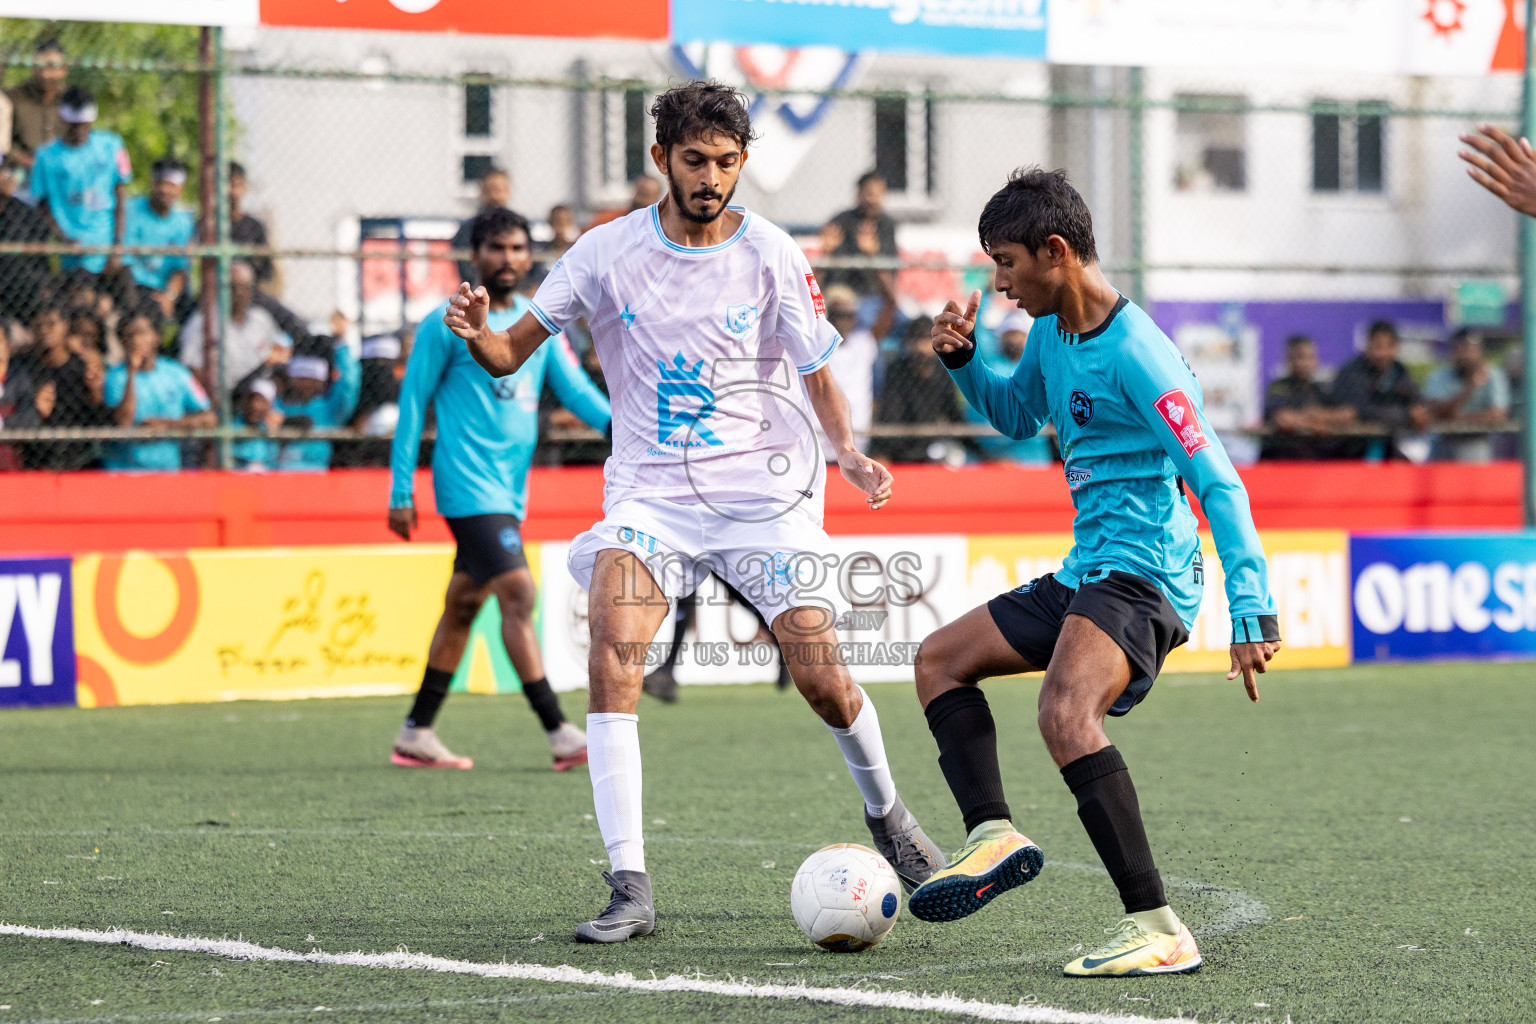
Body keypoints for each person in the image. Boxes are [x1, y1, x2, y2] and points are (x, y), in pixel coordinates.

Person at [443, 80, 946, 943]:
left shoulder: (776, 254)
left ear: (743, 161)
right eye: (693, 160)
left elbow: (817, 367)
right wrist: (477, 332)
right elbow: (507, 356)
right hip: (650, 498)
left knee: (822, 677)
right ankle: (630, 885)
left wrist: (848, 453)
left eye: (724, 161)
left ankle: (890, 816)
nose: (710, 177)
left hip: (762, 496)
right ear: (660, 161)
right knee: (614, 655)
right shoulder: (604, 254)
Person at [905, 167, 1279, 978]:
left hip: (1148, 575)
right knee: (938, 661)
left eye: (1005, 264)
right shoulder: (1051, 334)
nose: (998, 284)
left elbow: (1217, 478)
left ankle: (1158, 928)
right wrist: (966, 362)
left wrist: (1253, 607)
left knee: (1066, 712)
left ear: (1056, 251)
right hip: (1091, 571)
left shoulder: (1141, 353)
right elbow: (1014, 415)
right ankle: (991, 834)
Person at [390, 207, 609, 773]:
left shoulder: (537, 326)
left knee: (463, 607)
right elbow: (413, 406)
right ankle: (560, 731)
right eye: (496, 249)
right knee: (518, 594)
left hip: (509, 494)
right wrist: (400, 489)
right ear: (475, 254)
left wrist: (624, 429)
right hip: (466, 487)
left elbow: (576, 391)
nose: (507, 259)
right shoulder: (446, 323)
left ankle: (416, 732)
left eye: (516, 249)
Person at [30, 86, 130, 275]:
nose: (79, 130)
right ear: (62, 120)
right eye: (74, 125)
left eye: (85, 124)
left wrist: (117, 246)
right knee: (89, 301)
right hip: (73, 255)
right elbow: (42, 206)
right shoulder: (45, 156)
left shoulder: (112, 146)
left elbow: (120, 197)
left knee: (126, 298)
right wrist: (64, 238)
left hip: (108, 247)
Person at [103, 305, 215, 471]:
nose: (135, 341)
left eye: (141, 333)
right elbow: (123, 421)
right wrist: (131, 373)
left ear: (156, 337)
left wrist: (166, 425)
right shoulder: (115, 376)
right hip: (123, 472)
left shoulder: (177, 373)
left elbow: (209, 419)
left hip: (166, 472)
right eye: (129, 336)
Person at [180, 261, 292, 392]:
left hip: (257, 395)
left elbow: (278, 353)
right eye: (232, 287)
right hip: (221, 394)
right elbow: (191, 369)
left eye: (245, 287)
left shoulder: (262, 320)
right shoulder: (203, 322)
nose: (239, 292)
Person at [1328, 320, 1429, 460]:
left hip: (1389, 447)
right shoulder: (1351, 373)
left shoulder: (1399, 371)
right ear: (1367, 345)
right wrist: (1405, 414)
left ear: (1395, 348)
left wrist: (1418, 410)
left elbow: (1415, 401)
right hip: (1351, 450)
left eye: (1387, 347)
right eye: (1377, 346)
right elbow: (1359, 411)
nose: (1381, 354)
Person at [872, 316, 965, 464]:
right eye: (917, 339)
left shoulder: (944, 374)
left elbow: (955, 416)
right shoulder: (897, 371)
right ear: (908, 343)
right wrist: (882, 453)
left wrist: (984, 456)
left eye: (926, 340)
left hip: (930, 451)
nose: (921, 347)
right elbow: (890, 416)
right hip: (895, 450)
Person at [967, 310, 1054, 465]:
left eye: (1017, 334)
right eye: (1009, 334)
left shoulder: (1039, 366)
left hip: (1033, 458)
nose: (1013, 339)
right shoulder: (991, 364)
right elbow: (977, 333)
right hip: (989, 456)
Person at [817, 283, 892, 460]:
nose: (845, 320)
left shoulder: (864, 342)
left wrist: (874, 262)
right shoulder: (817, 344)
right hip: (819, 438)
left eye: (850, 315)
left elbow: (890, 305)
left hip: (857, 439)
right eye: (839, 315)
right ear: (828, 316)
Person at [123, 158, 196, 320]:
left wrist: (169, 297)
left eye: (171, 185)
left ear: (180, 189)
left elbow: (181, 269)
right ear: (152, 184)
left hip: (166, 288)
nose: (164, 190)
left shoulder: (184, 222)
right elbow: (125, 261)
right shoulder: (131, 209)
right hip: (134, 285)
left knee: (194, 311)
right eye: (160, 183)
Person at [1423, 329, 1510, 463]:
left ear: (1480, 351)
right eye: (1459, 349)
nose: (1465, 355)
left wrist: (1454, 421)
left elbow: (1497, 415)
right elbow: (1436, 413)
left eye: (1470, 349)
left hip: (1476, 445)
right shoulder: (1438, 376)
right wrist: (1469, 388)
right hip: (1442, 446)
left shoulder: (1493, 375)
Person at [272, 338, 359, 471]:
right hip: (278, 476)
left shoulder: (329, 410)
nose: (307, 384)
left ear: (323, 382)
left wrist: (342, 346)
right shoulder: (277, 406)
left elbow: (348, 387)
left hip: (316, 478)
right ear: (292, 379)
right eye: (301, 379)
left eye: (313, 380)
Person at [819, 171, 898, 306]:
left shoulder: (887, 226)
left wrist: (872, 255)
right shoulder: (841, 222)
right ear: (859, 193)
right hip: (841, 293)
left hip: (873, 296)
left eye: (878, 194)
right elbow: (820, 280)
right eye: (869, 194)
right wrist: (826, 252)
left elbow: (890, 288)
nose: (872, 200)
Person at [1260, 334, 1341, 460]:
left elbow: (1346, 414)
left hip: (1318, 463)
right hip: (1282, 461)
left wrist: (1321, 416)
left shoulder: (1321, 390)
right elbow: (1283, 419)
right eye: (1298, 357)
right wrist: (1314, 425)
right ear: (1288, 360)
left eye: (1309, 357)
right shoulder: (1278, 387)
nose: (1302, 363)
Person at [0, 153, 57, 324]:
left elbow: (42, 261)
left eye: (7, 172)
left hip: (26, 299)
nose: (8, 177)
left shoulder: (25, 213)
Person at [5, 38, 67, 172]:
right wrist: (26, 161)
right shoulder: (13, 98)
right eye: (39, 66)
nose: (45, 74)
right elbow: (4, 144)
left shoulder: (70, 100)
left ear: (63, 69)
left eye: (51, 66)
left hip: (63, 171)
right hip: (22, 172)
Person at [452, 166, 515, 286]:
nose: (495, 196)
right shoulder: (468, 229)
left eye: (500, 190)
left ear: (508, 192)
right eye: (490, 190)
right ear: (481, 193)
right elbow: (466, 270)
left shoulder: (518, 228)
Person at [227, 162, 275, 287]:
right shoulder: (209, 225)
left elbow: (266, 271)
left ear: (244, 186)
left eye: (236, 185)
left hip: (248, 292)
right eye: (227, 185)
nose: (232, 192)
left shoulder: (255, 227)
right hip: (216, 292)